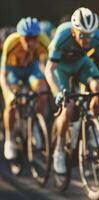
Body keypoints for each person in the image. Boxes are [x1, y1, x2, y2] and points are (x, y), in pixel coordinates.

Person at [45, 7, 99, 174]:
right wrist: (58, 94)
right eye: (82, 35)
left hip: (81, 64)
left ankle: (92, 126)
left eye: (90, 35)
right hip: (61, 67)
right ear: (73, 30)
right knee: (68, 108)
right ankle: (60, 150)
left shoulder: (97, 36)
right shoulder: (62, 36)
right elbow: (49, 70)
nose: (86, 40)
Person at [1, 17, 50, 160]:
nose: (31, 43)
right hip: (13, 71)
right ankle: (9, 139)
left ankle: (34, 125)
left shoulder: (44, 40)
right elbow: (3, 76)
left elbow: (51, 66)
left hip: (31, 69)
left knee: (43, 93)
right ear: (20, 36)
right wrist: (8, 94)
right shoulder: (11, 42)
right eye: (27, 39)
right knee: (11, 104)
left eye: (34, 38)